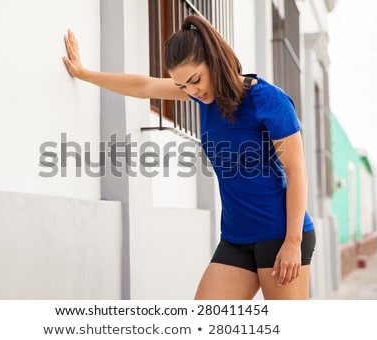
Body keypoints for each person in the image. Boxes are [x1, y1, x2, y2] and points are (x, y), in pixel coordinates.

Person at [62, 14, 316, 300]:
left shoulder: (269, 101)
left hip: (279, 233)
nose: (192, 91)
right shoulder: (204, 96)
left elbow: (296, 172)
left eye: (195, 80)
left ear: (214, 60)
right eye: (183, 87)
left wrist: (293, 242)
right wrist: (85, 74)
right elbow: (144, 86)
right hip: (235, 238)